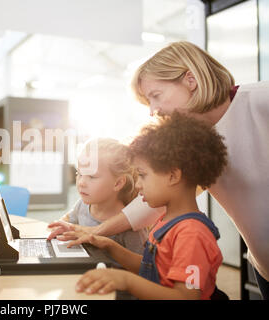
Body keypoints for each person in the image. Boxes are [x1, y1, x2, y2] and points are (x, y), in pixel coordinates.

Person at [48, 41, 269, 299]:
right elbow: (153, 202)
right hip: (264, 266)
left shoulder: (260, 100)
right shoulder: (197, 144)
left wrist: (122, 274)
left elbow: (187, 294)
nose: (153, 110)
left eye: (156, 95)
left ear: (190, 79)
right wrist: (98, 234)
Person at [74, 113, 227, 299]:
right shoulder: (169, 221)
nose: (137, 184)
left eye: (143, 175)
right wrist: (108, 245)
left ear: (173, 176)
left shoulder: (192, 234)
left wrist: (126, 280)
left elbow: (186, 296)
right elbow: (153, 268)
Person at [56, 138, 147, 256]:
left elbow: (143, 267)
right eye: (79, 174)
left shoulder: (131, 227)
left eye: (92, 177)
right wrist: (60, 226)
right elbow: (68, 222)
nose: (81, 182)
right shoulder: (83, 205)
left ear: (118, 183)